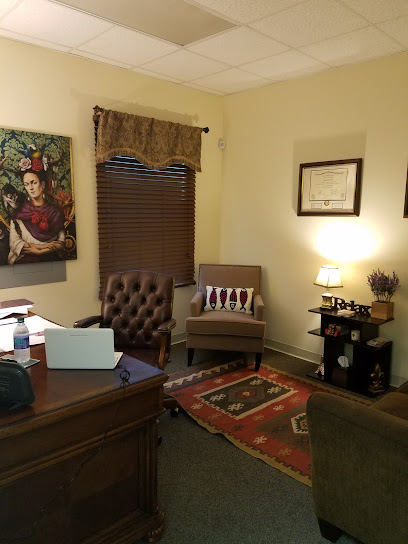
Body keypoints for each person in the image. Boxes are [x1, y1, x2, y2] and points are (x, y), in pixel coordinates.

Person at [8, 168, 65, 264]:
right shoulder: (19, 213)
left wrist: (41, 251)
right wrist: (39, 248)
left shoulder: (55, 212)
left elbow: (61, 242)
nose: (30, 188)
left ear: (42, 185)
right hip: (24, 262)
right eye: (26, 184)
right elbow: (14, 242)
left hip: (51, 261)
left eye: (34, 183)